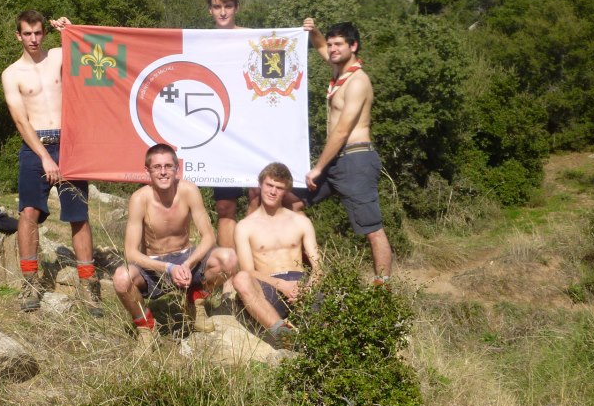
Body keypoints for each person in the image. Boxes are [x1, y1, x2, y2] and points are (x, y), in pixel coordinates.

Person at [1, 10, 102, 314]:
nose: (33, 39)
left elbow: (92, 52)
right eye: (27, 34)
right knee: (29, 212)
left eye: (38, 33)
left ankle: (88, 284)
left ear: (44, 33)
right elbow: (21, 121)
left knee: (78, 213)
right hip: (35, 146)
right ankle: (30, 282)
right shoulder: (12, 74)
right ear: (18, 35)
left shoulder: (58, 56)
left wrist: (73, 29)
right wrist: (45, 157)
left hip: (68, 141)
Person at [206, 0, 304, 250]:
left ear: (236, 8)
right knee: (225, 207)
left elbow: (285, 50)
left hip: (253, 134)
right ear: (210, 10)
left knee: (255, 198)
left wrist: (305, 33)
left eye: (228, 6)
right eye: (217, 7)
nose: (223, 12)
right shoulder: (201, 41)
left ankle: (252, 268)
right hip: (220, 137)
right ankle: (228, 272)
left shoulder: (253, 39)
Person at [113, 143, 238, 345]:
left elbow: (208, 237)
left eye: (168, 166)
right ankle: (147, 328)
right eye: (157, 167)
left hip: (186, 257)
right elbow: (130, 253)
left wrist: (187, 264)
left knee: (229, 258)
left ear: (176, 168)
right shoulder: (139, 199)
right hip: (154, 266)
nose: (163, 172)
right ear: (148, 171)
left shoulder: (188, 190)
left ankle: (195, 300)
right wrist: (169, 268)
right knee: (121, 278)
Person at [303, 20, 393, 284]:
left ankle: (382, 294)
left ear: (353, 46)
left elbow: (342, 131)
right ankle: (309, 272)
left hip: (355, 159)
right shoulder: (338, 69)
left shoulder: (357, 81)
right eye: (330, 44)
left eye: (338, 44)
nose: (331, 48)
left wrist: (318, 168)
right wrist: (314, 31)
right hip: (335, 161)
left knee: (372, 229)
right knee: (291, 202)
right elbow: (319, 45)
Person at [232, 162, 321, 343]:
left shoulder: (301, 222)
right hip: (268, 286)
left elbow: (318, 266)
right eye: (269, 185)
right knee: (240, 278)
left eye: (279, 188)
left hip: (301, 284)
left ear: (286, 191)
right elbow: (248, 271)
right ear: (260, 184)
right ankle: (284, 336)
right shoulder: (245, 226)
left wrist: (308, 289)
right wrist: (281, 285)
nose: (273, 191)